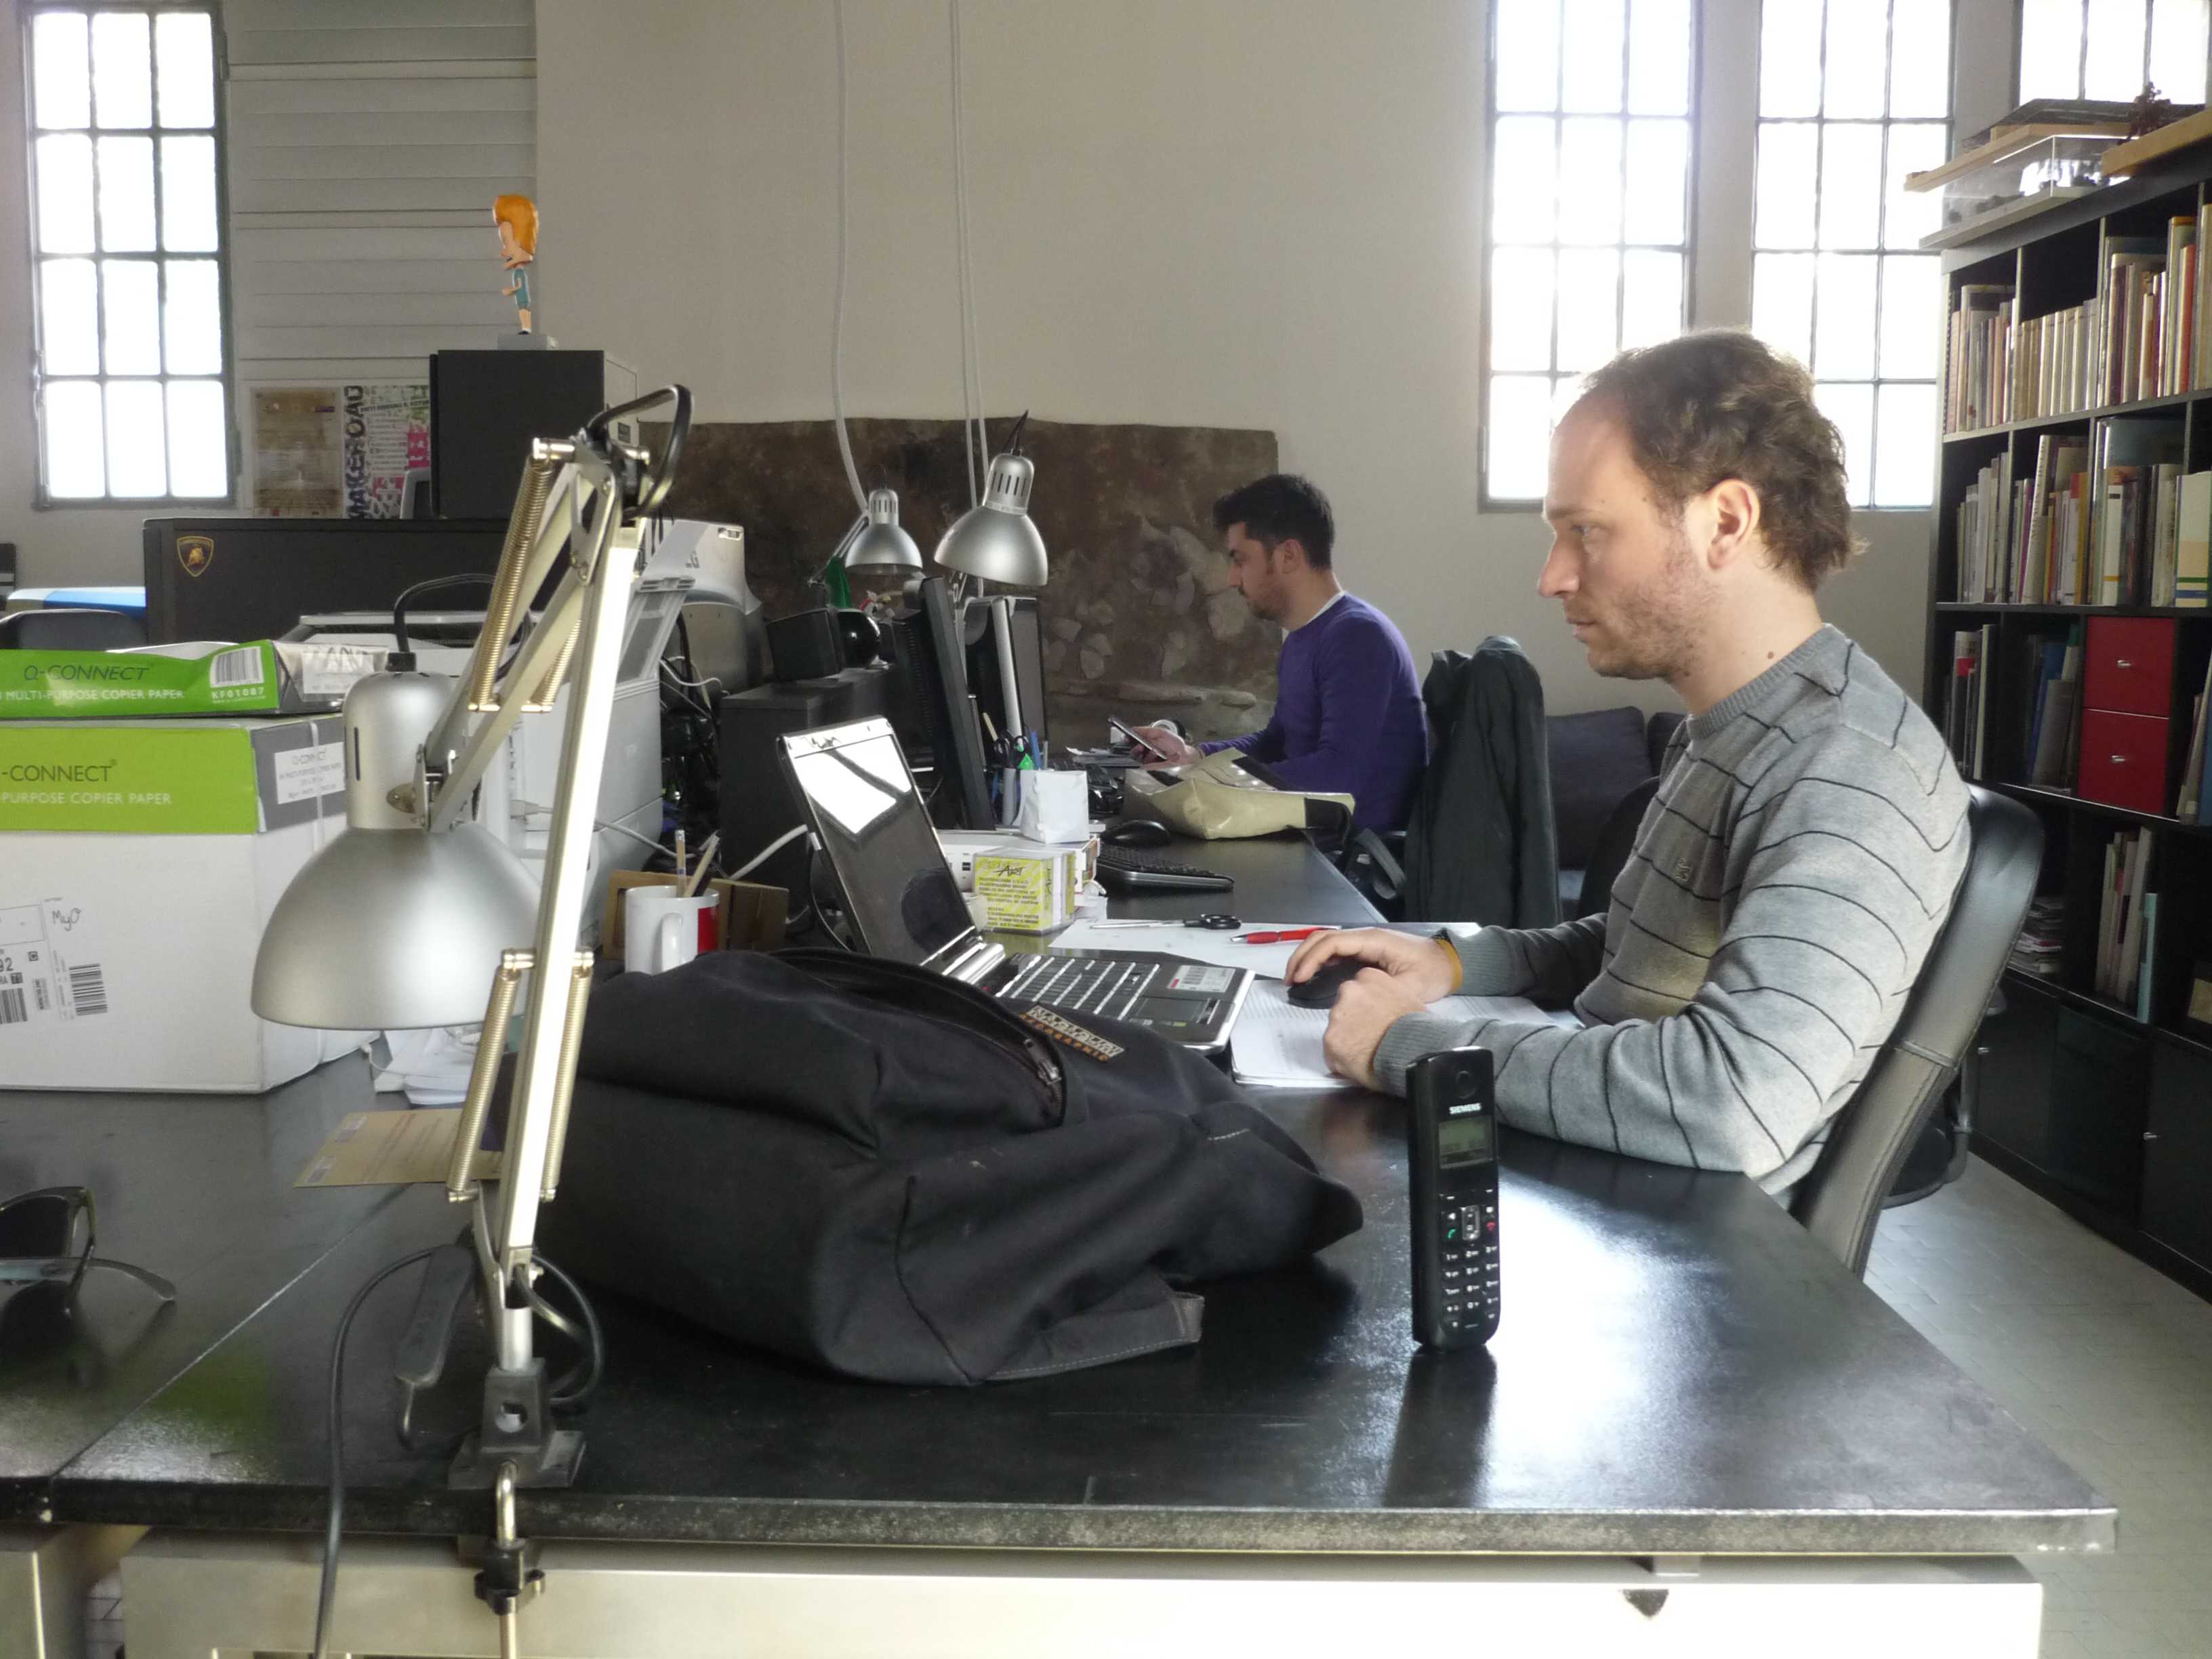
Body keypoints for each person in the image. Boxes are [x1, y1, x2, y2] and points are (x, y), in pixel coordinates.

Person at [1286, 331, 1969, 1194]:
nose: (1552, 577)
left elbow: (1733, 1103)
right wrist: (1452, 963)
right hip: (1598, 1168)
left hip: (1672, 1240)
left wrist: (1412, 1047)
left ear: (1726, 522)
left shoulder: (1849, 769)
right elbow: (1630, 948)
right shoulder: (1728, 730)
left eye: (1586, 531)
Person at [1133, 474, 1427, 833]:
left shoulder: (1358, 636)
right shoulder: (1303, 640)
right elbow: (1275, 743)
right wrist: (1196, 756)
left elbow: (1340, 774)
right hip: (1311, 837)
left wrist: (1213, 781)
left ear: (1288, 555)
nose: (1232, 579)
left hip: (1347, 855)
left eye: (1241, 560)